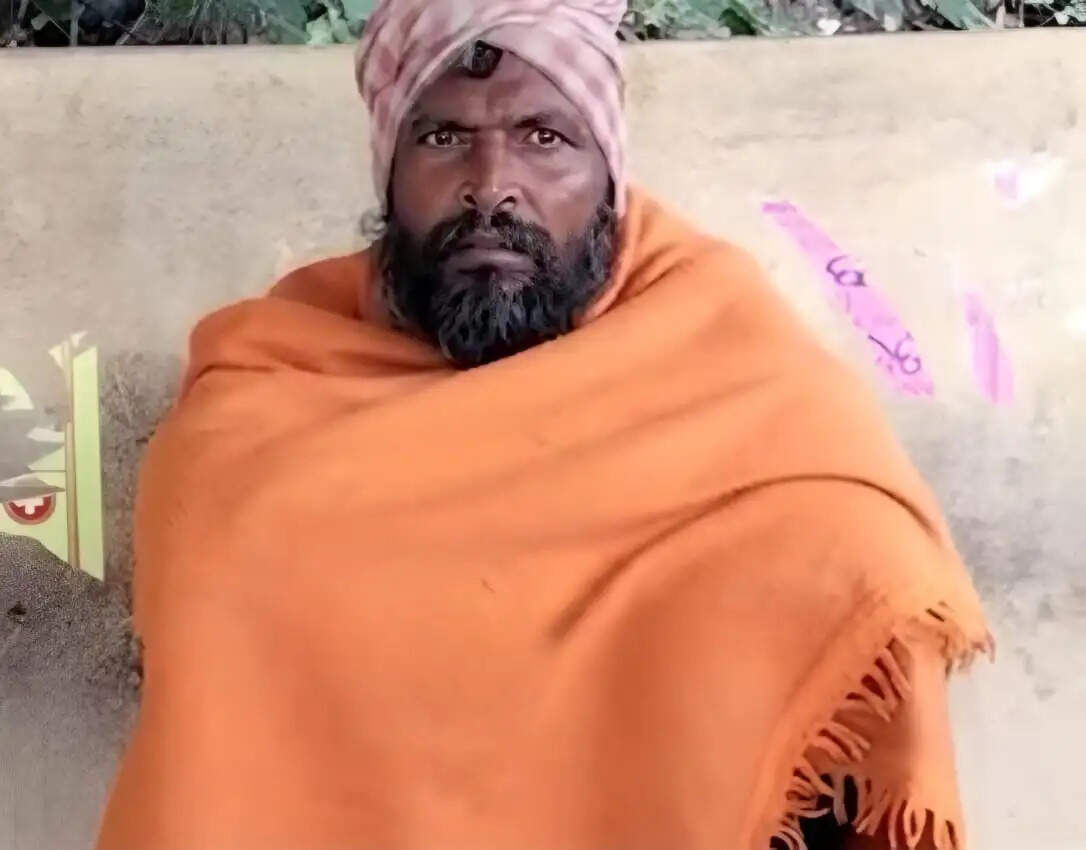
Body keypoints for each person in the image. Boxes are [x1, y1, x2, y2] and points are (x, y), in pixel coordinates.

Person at [96, 1, 991, 848]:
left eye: (544, 138)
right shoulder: (270, 384)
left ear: (610, 178)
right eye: (444, 138)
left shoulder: (720, 338)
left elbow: (855, 538)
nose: (492, 189)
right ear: (388, 175)